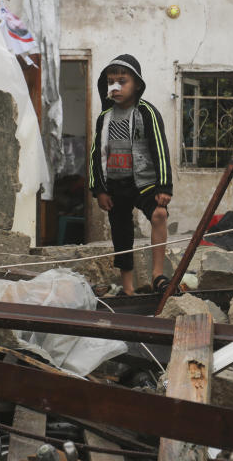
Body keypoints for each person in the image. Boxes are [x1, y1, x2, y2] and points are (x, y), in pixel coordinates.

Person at [89, 54, 172, 296]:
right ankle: (128, 289)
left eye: (121, 81)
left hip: (144, 183)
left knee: (159, 214)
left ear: (136, 84)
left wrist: (164, 186)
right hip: (116, 185)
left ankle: (158, 274)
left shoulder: (147, 112)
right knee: (121, 236)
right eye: (110, 82)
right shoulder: (104, 118)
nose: (115, 87)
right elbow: (96, 153)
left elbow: (160, 147)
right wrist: (100, 190)